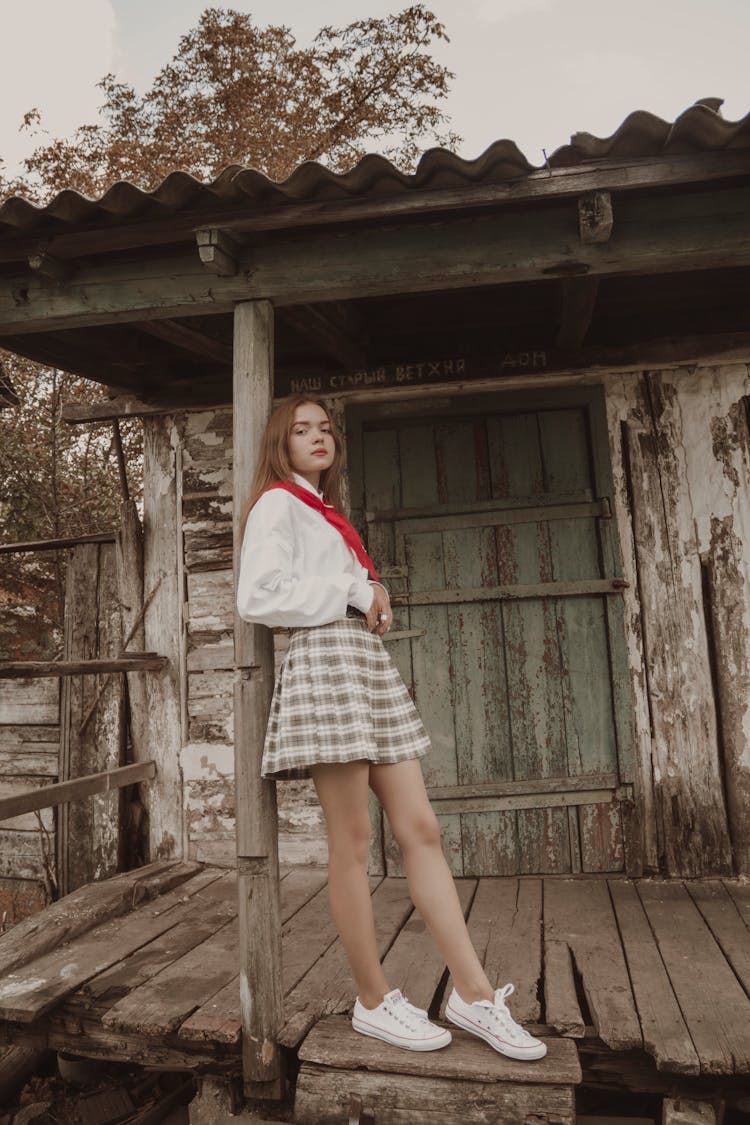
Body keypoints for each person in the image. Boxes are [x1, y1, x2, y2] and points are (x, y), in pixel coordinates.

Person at [236, 393, 546, 1061]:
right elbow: (255, 595)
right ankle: (373, 1000)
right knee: (351, 841)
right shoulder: (276, 505)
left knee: (422, 828)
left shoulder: (327, 514)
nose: (318, 437)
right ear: (280, 444)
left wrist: (370, 596)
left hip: (361, 660)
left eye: (325, 428)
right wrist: (351, 591)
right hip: (324, 661)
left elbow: (344, 586)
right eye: (302, 429)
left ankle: (474, 993)